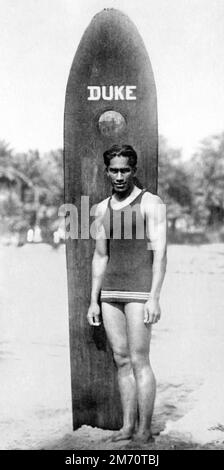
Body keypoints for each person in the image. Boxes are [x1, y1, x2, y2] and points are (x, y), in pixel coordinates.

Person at [87, 144, 167, 443]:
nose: (119, 176)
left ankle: (144, 430)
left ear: (133, 170)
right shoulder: (100, 209)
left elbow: (160, 256)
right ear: (106, 171)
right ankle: (126, 426)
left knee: (139, 360)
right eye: (114, 170)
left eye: (125, 170)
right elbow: (100, 256)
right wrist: (94, 300)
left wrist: (154, 297)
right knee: (121, 360)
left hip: (138, 291)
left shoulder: (151, 203)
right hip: (110, 293)